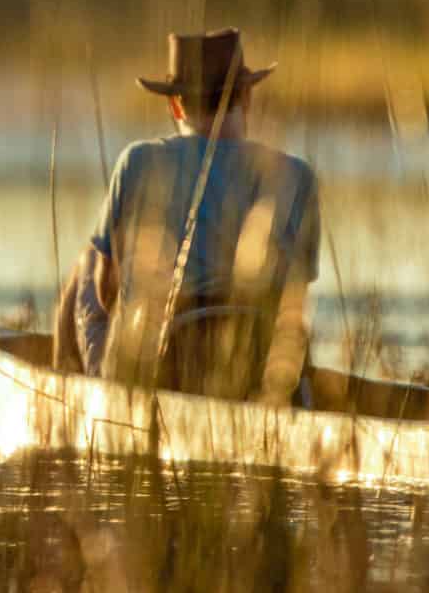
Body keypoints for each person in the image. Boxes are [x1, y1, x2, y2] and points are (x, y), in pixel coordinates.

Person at [53, 28, 321, 403]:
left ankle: (89, 405)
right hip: (257, 377)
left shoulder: (137, 161)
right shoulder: (296, 175)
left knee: (87, 267)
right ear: (246, 97)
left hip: (160, 374)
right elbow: (294, 304)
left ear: (175, 106)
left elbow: (106, 289)